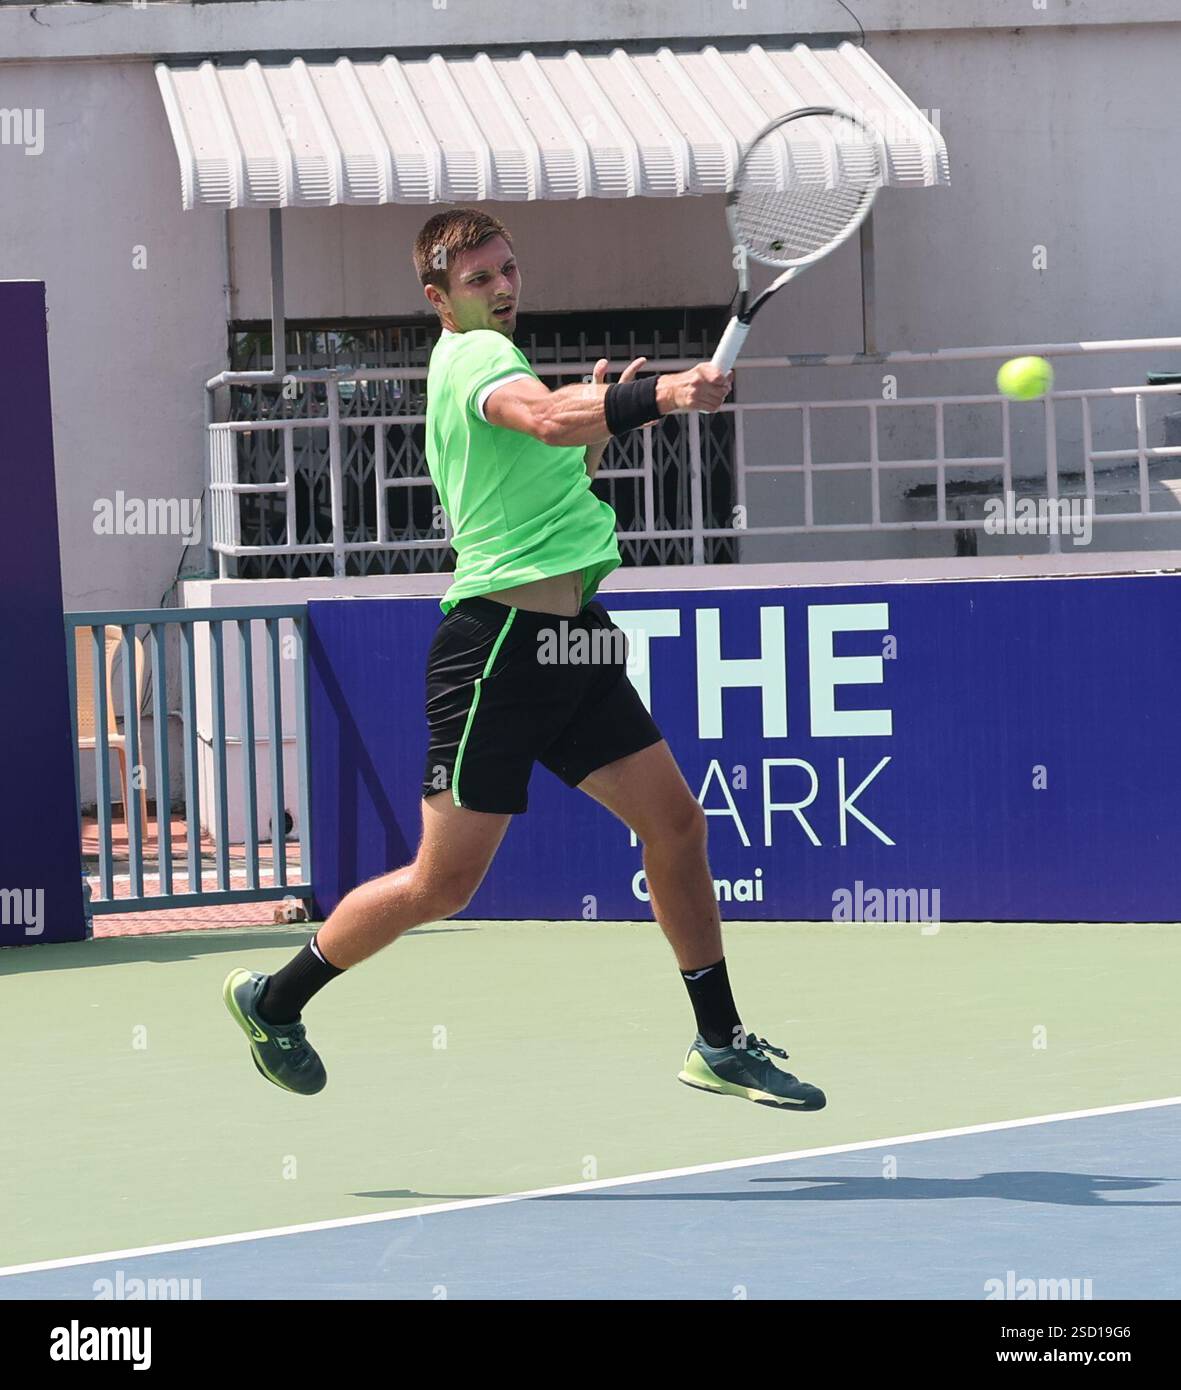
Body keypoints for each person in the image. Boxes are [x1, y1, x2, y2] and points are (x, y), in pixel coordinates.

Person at [223, 207, 825, 1114]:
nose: (503, 288)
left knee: (675, 826)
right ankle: (275, 1001)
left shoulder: (506, 362)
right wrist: (657, 395)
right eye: (479, 280)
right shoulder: (476, 360)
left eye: (508, 269)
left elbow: (556, 453)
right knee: (444, 884)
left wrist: (607, 417)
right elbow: (544, 419)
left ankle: (719, 1041)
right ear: (440, 300)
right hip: (497, 649)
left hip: (571, 642)